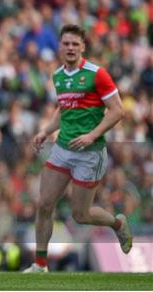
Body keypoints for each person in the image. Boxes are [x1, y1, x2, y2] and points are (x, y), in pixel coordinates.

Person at [23, 24, 132, 273]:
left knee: (80, 215)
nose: (70, 48)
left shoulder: (97, 74)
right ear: (60, 46)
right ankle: (40, 265)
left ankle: (117, 223)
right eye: (66, 43)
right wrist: (45, 131)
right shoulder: (59, 75)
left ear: (83, 47)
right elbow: (63, 109)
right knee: (44, 204)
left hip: (89, 153)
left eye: (75, 44)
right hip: (62, 149)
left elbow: (118, 110)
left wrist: (91, 136)